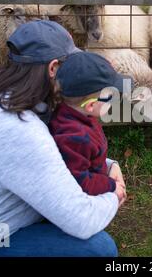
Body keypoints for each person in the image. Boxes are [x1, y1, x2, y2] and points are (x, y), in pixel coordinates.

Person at [0, 20, 126, 257]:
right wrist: (113, 194)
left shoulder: (10, 100)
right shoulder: (17, 129)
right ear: (53, 69)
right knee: (98, 250)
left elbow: (57, 154)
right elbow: (81, 220)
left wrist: (109, 165)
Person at [49, 52, 128, 202]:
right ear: (91, 105)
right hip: (82, 204)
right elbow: (80, 182)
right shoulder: (73, 137)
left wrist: (110, 167)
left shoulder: (78, 115)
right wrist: (111, 186)